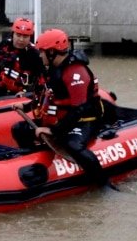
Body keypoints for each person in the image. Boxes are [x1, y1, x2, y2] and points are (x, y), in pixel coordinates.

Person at [11, 28, 108, 186]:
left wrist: (53, 131)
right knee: (19, 129)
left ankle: (104, 184)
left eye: (42, 52)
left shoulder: (76, 73)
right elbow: (47, 96)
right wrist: (27, 106)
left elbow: (79, 109)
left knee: (73, 145)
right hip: (63, 118)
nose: (40, 55)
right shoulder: (54, 69)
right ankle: (34, 161)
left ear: (52, 52)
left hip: (84, 120)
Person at [0, 17, 44, 96]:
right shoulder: (5, 44)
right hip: (1, 89)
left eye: (25, 36)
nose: (21, 39)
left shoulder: (34, 54)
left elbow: (42, 77)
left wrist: (27, 92)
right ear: (13, 34)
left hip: (20, 94)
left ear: (30, 37)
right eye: (18, 35)